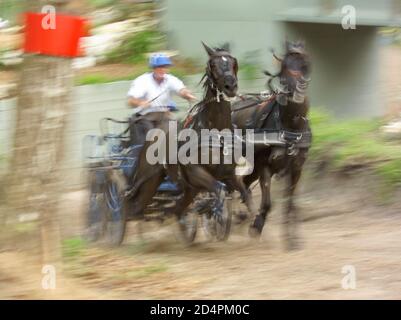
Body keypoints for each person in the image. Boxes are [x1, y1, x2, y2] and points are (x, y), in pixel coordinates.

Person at [127, 53, 197, 145]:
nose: (162, 69)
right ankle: (144, 156)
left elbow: (181, 90)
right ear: (153, 68)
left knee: (179, 132)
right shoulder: (142, 81)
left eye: (165, 67)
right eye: (159, 67)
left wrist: (187, 94)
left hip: (164, 117)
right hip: (145, 117)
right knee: (152, 136)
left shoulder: (171, 79)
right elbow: (130, 101)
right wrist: (140, 102)